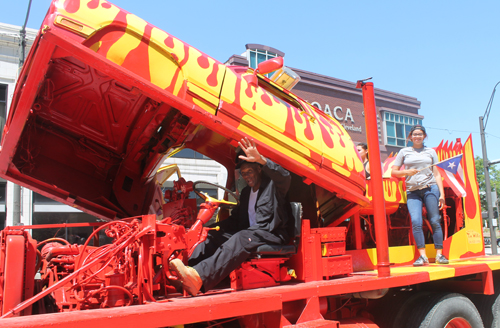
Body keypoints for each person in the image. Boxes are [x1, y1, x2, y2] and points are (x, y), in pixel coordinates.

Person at [169, 137, 292, 296]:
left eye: (250, 171)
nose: (247, 176)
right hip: (252, 233)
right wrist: (210, 229)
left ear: (259, 169)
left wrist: (261, 159)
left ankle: (199, 277)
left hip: (272, 233)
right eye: (243, 173)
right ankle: (186, 269)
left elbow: (285, 176)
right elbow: (235, 220)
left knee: (242, 237)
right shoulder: (247, 193)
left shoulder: (273, 186)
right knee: (213, 235)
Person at [391, 125, 449, 266]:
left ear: (424, 136)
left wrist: (442, 194)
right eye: (415, 134)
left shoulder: (430, 152)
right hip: (413, 191)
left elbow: (436, 173)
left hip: (430, 188)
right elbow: (394, 172)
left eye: (420, 134)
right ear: (410, 137)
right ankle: (422, 256)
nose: (417, 136)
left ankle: (439, 255)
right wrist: (406, 173)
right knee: (416, 222)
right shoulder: (404, 152)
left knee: (435, 221)